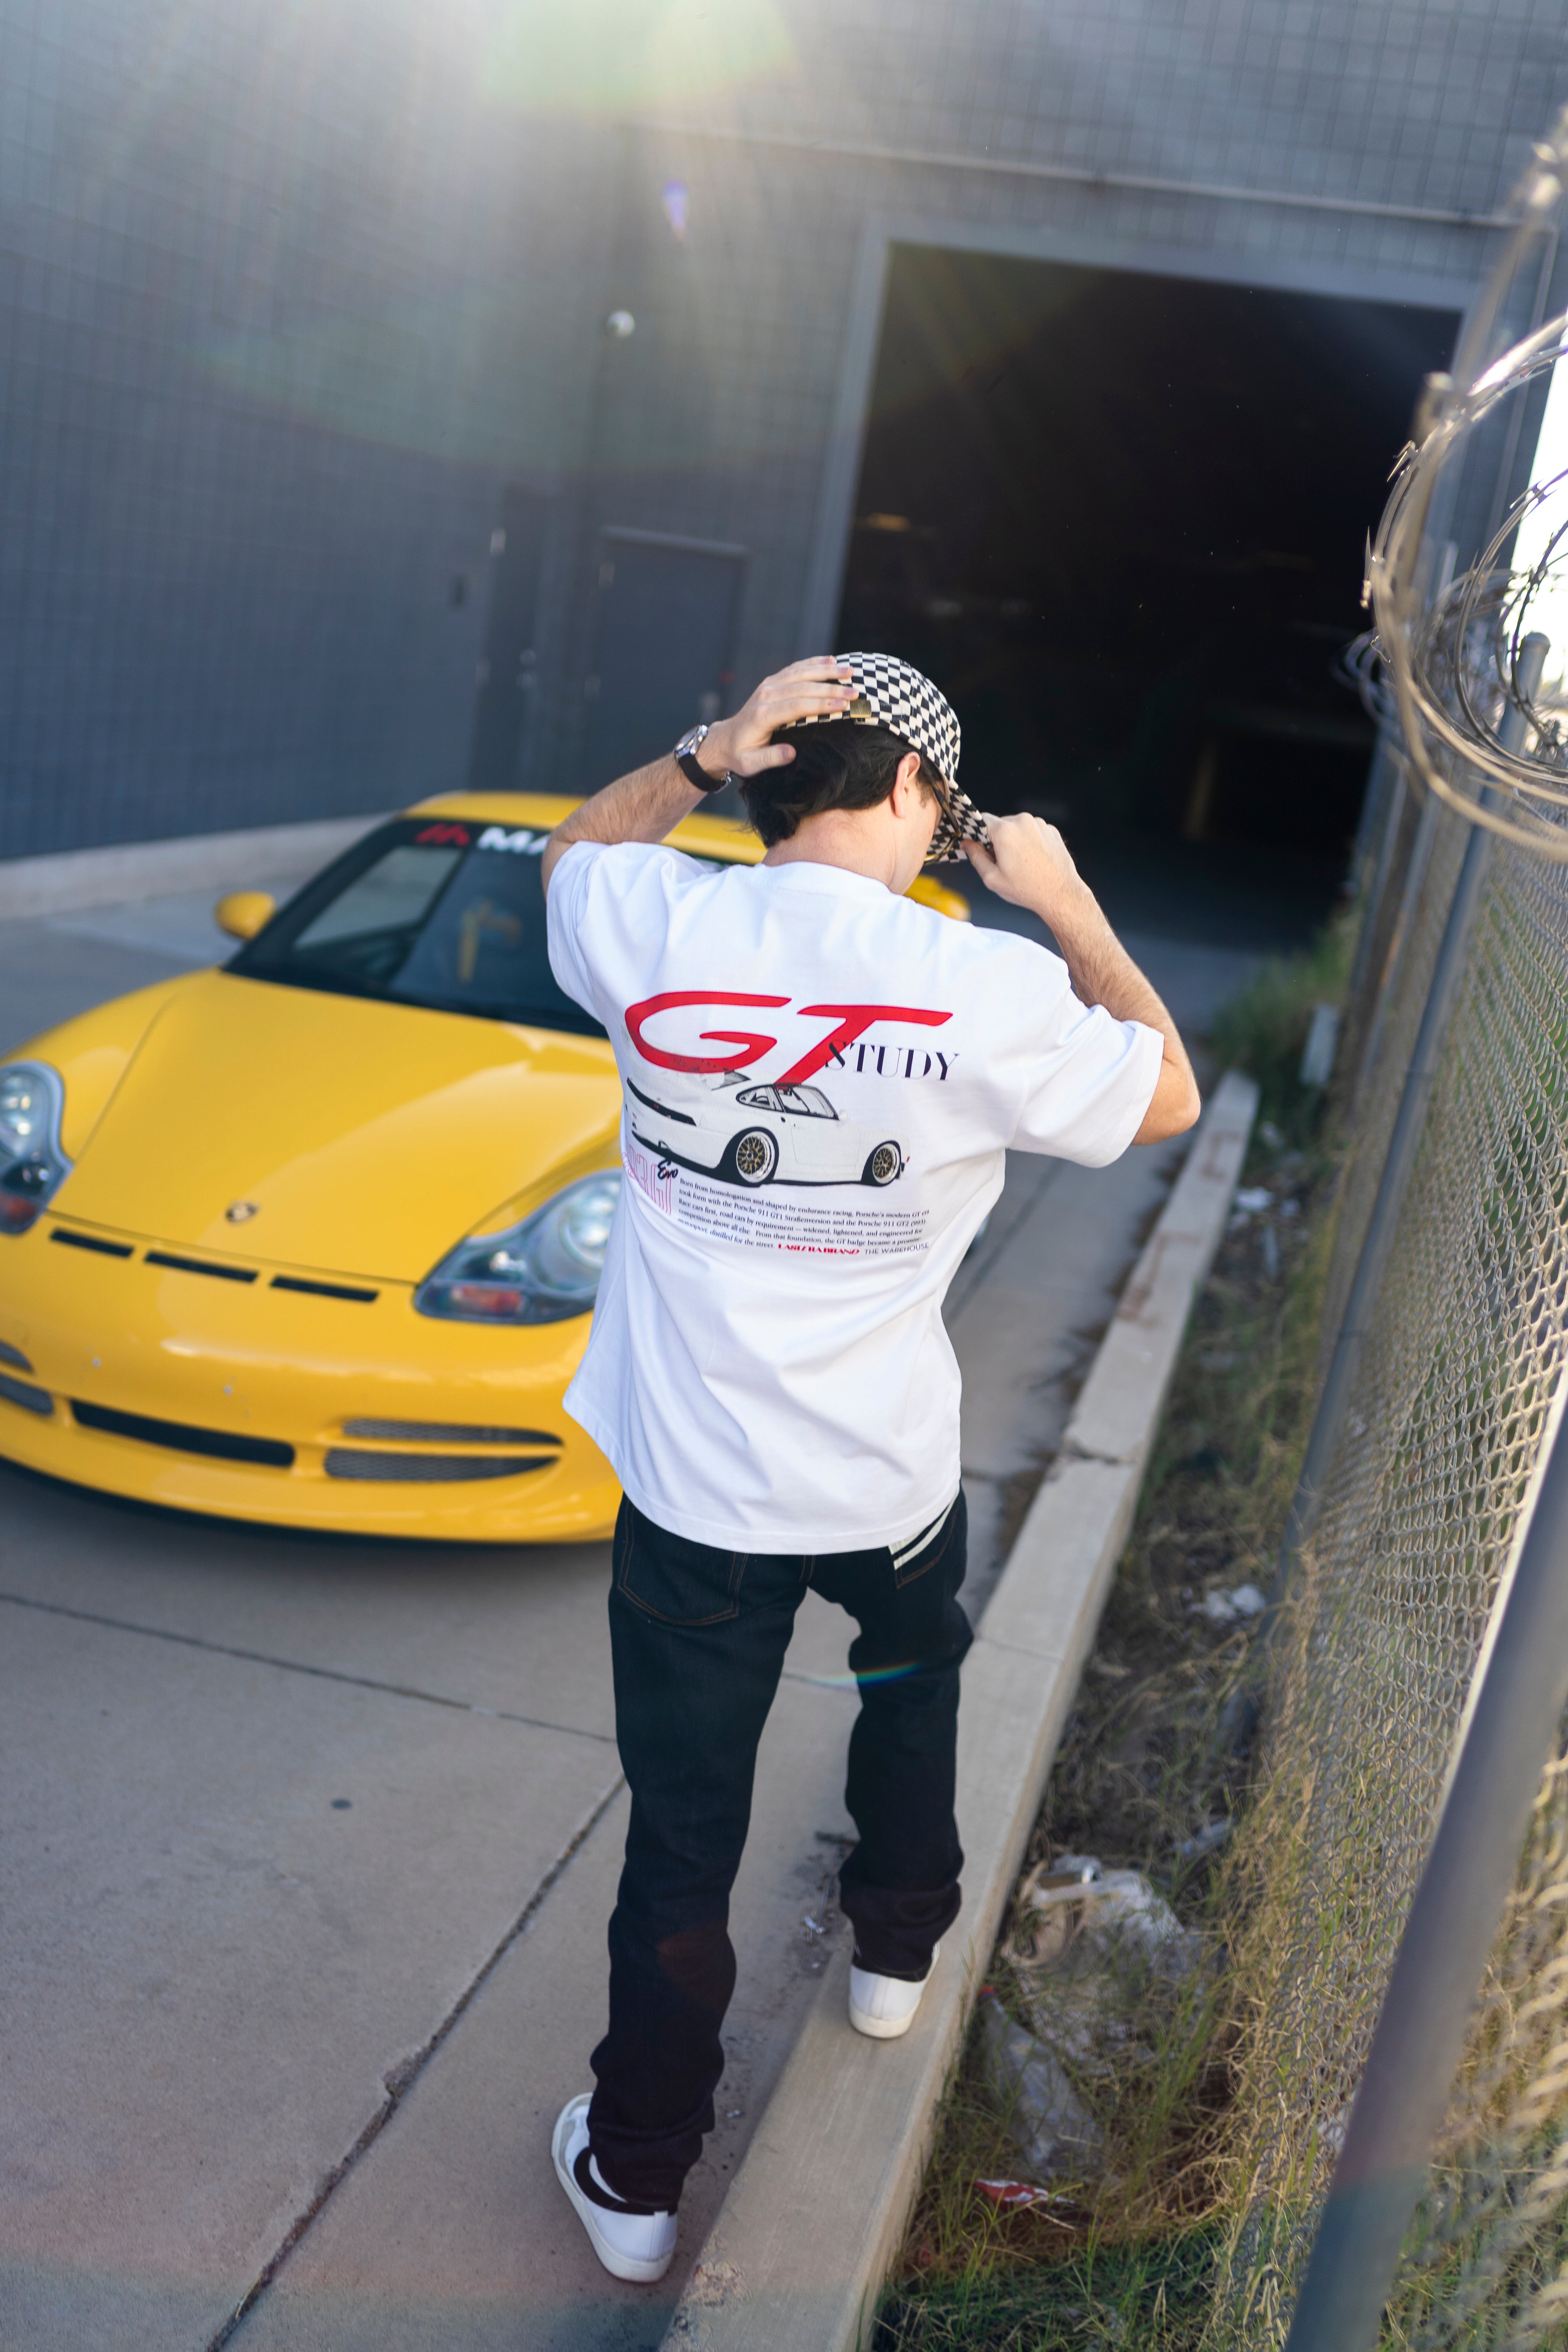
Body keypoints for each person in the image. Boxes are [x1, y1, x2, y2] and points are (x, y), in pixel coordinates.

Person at [540, 652, 1200, 2283]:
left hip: (693, 1502)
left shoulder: (653, 919)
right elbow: (1168, 1090)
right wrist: (1065, 898)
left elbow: (570, 852)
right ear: (916, 791)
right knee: (910, 1689)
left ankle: (636, 2180)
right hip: (888, 1486)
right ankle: (895, 1957)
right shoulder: (982, 983)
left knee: (683, 1837)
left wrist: (700, 752)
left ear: (773, 771)